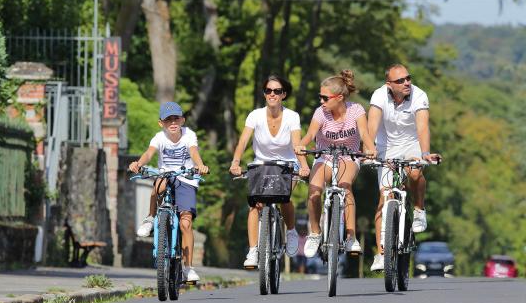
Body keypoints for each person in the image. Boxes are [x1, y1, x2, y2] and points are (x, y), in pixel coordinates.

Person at [229, 75, 310, 268]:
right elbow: (243, 141)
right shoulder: (255, 115)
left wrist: (304, 165)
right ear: (264, 93)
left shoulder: (292, 117)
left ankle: (290, 232)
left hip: (287, 163)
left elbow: (297, 144)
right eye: (268, 91)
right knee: (254, 205)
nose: (272, 94)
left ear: (284, 94)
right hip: (262, 163)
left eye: (277, 91)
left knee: (285, 197)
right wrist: (235, 161)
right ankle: (253, 251)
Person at [367, 64, 441, 271]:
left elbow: (422, 127)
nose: (406, 82)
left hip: (412, 145)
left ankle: (418, 209)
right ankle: (381, 254)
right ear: (389, 84)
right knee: (384, 198)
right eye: (400, 80)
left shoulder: (419, 95)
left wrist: (425, 153)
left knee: (415, 173)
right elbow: (371, 126)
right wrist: (368, 150)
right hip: (386, 148)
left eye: (408, 78)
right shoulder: (379, 95)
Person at [295, 69, 376, 259]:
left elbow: (364, 134)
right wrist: (301, 145)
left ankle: (350, 237)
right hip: (325, 157)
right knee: (314, 191)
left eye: (325, 98)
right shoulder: (321, 113)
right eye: (320, 97)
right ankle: (315, 233)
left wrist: (370, 148)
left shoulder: (356, 110)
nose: (321, 102)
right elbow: (310, 134)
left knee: (345, 188)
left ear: (339, 97)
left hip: (348, 157)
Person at [128, 101, 209, 283]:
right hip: (166, 175)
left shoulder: (189, 135)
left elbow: (194, 152)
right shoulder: (159, 138)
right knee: (158, 186)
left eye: (176, 119)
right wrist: (138, 164)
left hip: (185, 178)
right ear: (161, 123)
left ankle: (188, 268)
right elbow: (149, 154)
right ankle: (150, 218)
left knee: (186, 223)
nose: (173, 123)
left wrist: (199, 165)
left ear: (182, 120)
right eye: (168, 120)